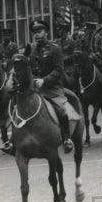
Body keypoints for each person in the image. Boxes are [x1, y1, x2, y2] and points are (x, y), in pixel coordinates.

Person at [25, 20, 77, 152]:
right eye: (34, 33)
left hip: (52, 88)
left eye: (39, 32)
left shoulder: (55, 49)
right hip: (35, 88)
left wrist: (44, 80)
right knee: (18, 107)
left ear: (46, 32)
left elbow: (59, 70)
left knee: (61, 109)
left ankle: (67, 138)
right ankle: (15, 140)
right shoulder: (31, 49)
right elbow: (29, 68)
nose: (37, 35)